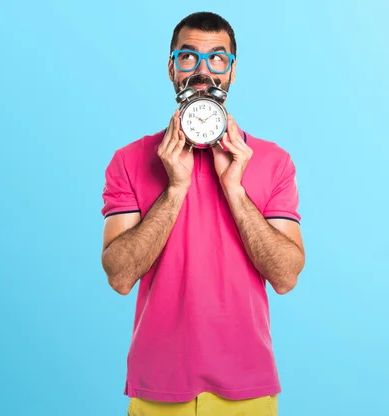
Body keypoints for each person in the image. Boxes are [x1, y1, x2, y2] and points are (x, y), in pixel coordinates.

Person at [100, 11, 305, 416]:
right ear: (171, 67)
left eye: (217, 59)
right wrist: (175, 188)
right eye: (188, 57)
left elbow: (285, 276)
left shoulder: (273, 161)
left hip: (247, 389)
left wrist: (235, 189)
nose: (203, 70)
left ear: (231, 72)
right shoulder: (129, 161)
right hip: (158, 388)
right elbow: (120, 276)